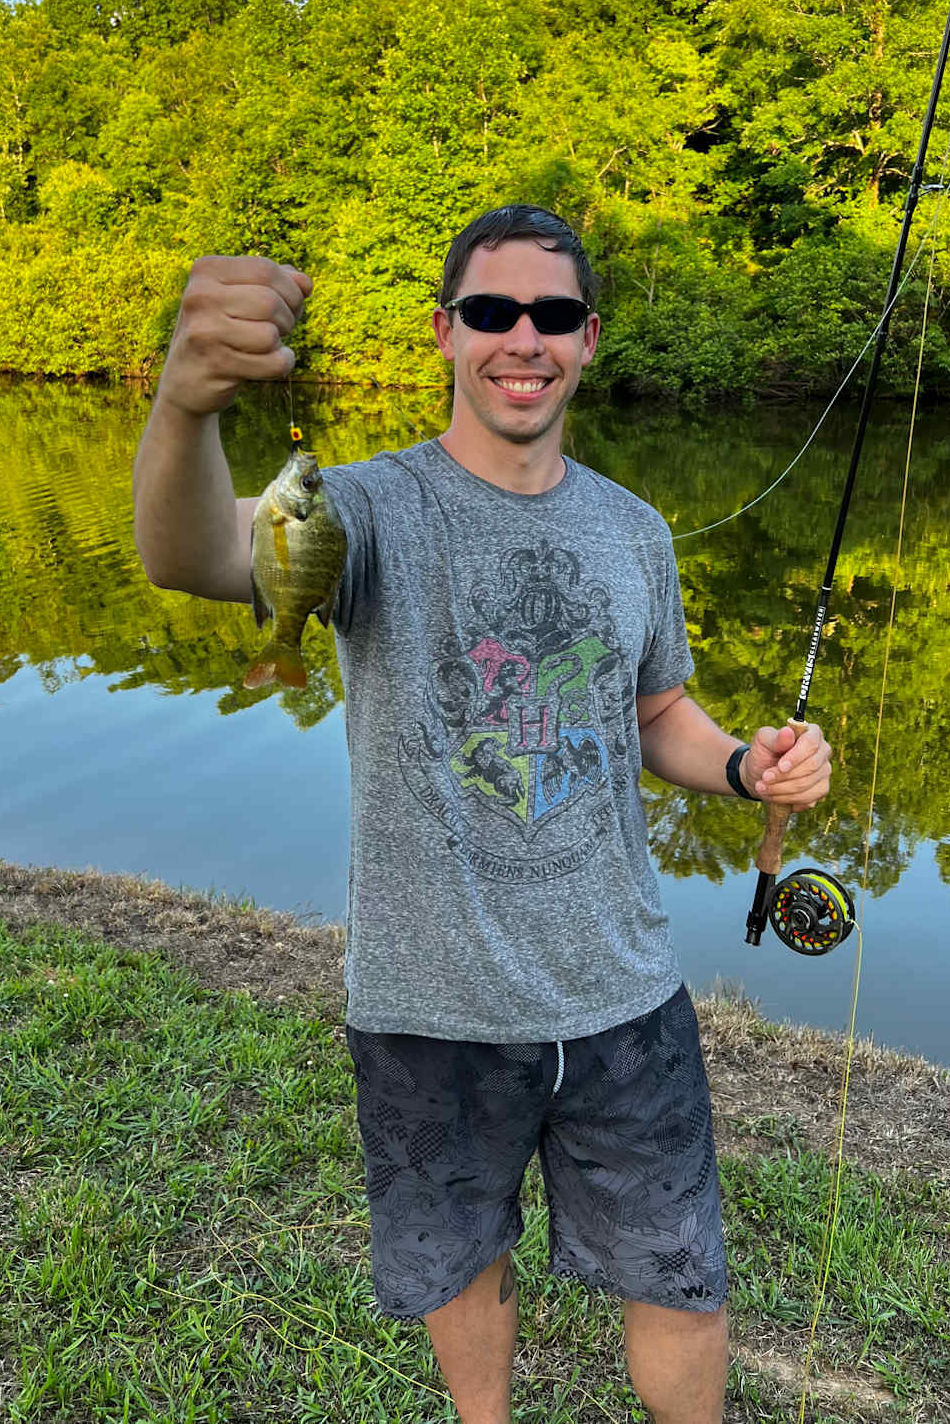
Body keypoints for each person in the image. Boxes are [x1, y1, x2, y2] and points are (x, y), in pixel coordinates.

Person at [132, 205, 832, 1424]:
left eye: (552, 315)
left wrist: (739, 766)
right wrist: (186, 405)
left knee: (682, 1280)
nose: (524, 338)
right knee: (463, 1265)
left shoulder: (632, 527)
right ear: (445, 332)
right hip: (430, 999)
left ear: (588, 339)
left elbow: (656, 705)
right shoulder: (356, 507)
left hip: (625, 991)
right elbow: (189, 555)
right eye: (493, 312)